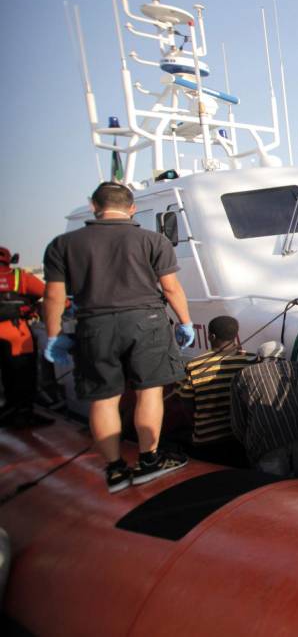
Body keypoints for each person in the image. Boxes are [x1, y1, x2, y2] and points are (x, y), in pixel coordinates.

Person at [42, 182, 193, 493]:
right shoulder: (154, 240)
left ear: (94, 206)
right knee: (149, 393)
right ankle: (149, 461)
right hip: (146, 321)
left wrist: (54, 336)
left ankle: (114, 470)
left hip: (94, 325)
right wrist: (186, 322)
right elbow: (171, 288)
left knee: (104, 399)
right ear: (132, 208)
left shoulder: (64, 244)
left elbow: (53, 297)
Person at [230, 340, 298, 478]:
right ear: (283, 357)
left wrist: (249, 442)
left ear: (259, 358)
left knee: (275, 487)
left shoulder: (243, 375)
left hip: (266, 439)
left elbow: (238, 420)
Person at [178, 316, 255, 468]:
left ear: (211, 336)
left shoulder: (194, 365)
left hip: (207, 439)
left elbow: (186, 403)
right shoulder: (250, 360)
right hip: (240, 437)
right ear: (236, 336)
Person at [0, 246, 51, 427]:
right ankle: (23, 414)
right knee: (24, 376)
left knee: (6, 376)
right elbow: (51, 294)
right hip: (16, 334)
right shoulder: (19, 277)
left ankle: (8, 410)